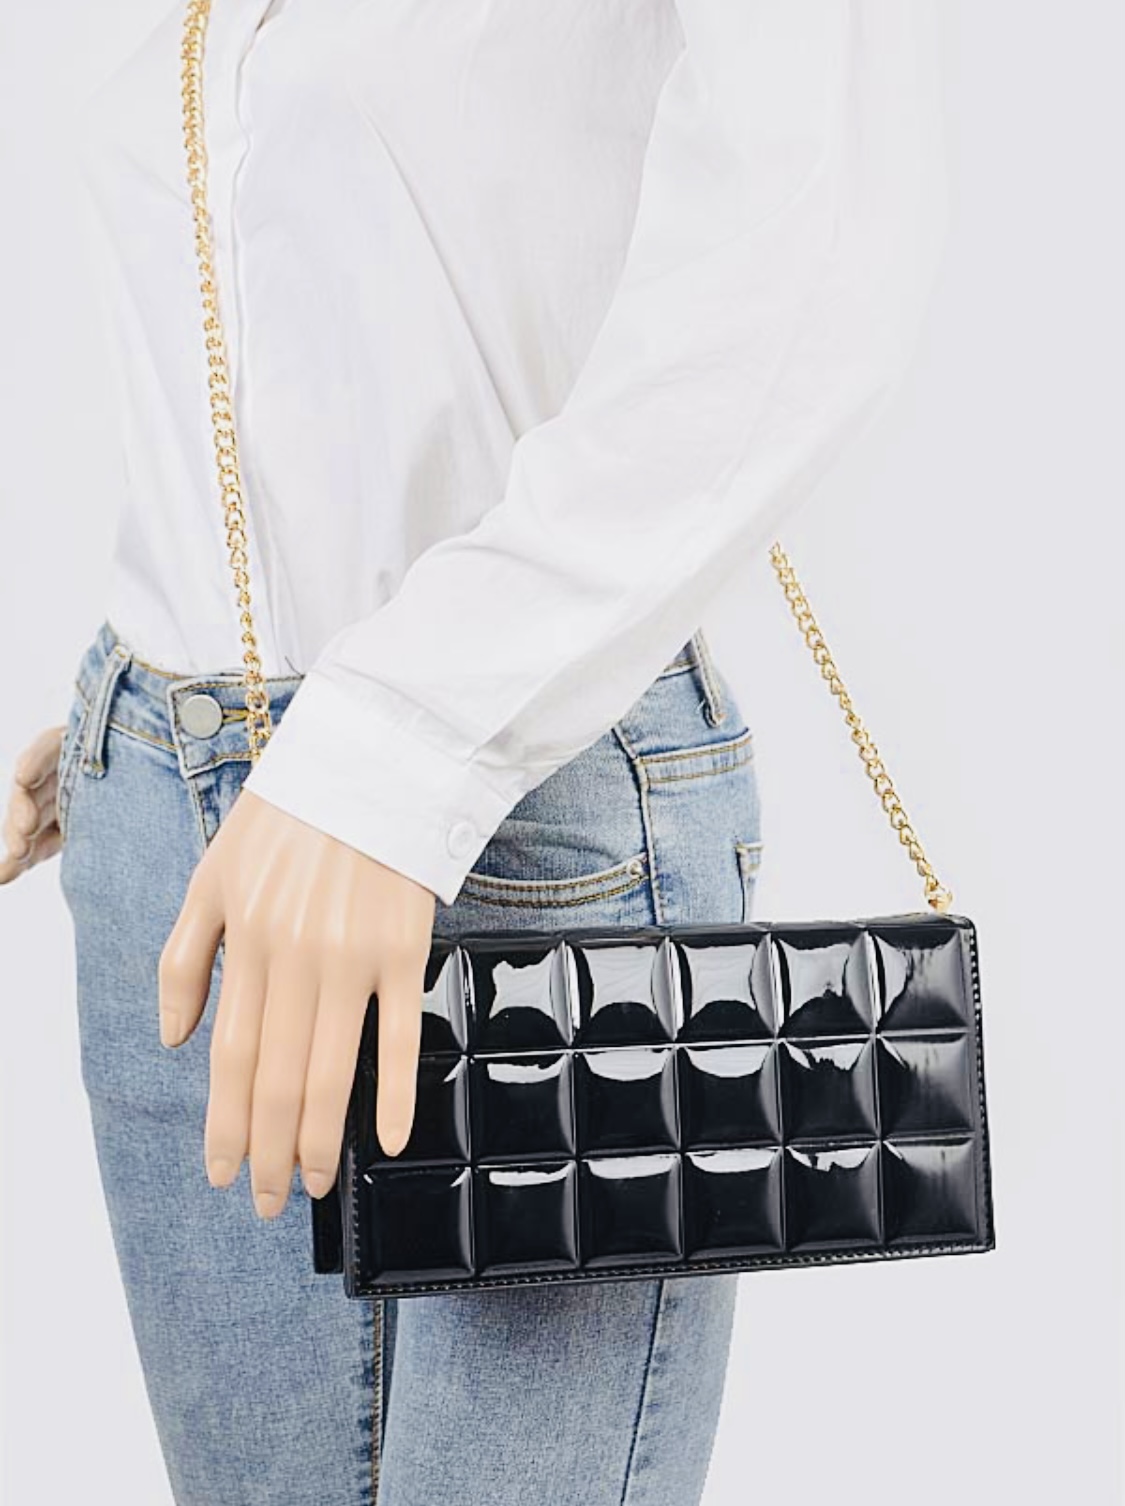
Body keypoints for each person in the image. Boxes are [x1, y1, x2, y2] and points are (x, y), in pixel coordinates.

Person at [1, 3, 948, 1503]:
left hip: (514, 817)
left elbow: (815, 236)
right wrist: (172, 711)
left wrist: (391, 733)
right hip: (180, 834)